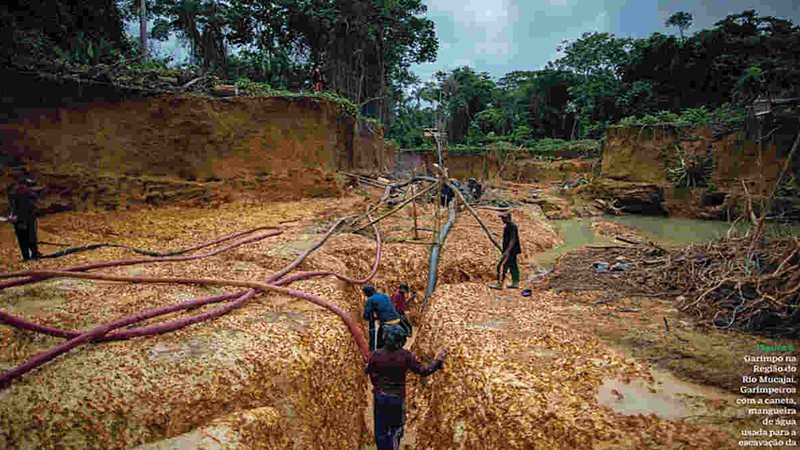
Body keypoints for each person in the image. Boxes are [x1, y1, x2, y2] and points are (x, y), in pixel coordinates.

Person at [366, 324, 449, 450]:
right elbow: (424, 371)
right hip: (397, 399)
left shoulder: (376, 355)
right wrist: (438, 360)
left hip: (380, 397)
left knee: (381, 431)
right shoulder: (405, 356)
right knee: (395, 430)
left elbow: (370, 372)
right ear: (401, 341)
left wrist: (378, 385)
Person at [5, 173, 41, 261]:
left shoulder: (31, 196)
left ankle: (34, 255)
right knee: (22, 239)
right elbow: (11, 207)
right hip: (18, 221)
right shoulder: (13, 195)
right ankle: (25, 256)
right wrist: (10, 216)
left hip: (29, 219)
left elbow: (30, 209)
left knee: (31, 238)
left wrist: (18, 216)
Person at [362, 285, 401, 351]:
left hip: (387, 323)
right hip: (397, 320)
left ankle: (377, 355)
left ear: (368, 293)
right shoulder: (384, 295)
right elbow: (386, 309)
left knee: (380, 344)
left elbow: (365, 316)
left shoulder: (371, 300)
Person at [489, 211, 521, 290]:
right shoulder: (507, 226)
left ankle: (500, 284)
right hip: (512, 251)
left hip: (510, 251)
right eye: (502, 218)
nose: (502, 219)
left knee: (501, 266)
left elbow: (513, 239)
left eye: (504, 218)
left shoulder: (512, 226)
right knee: (513, 266)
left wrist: (507, 252)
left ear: (509, 218)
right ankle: (515, 283)